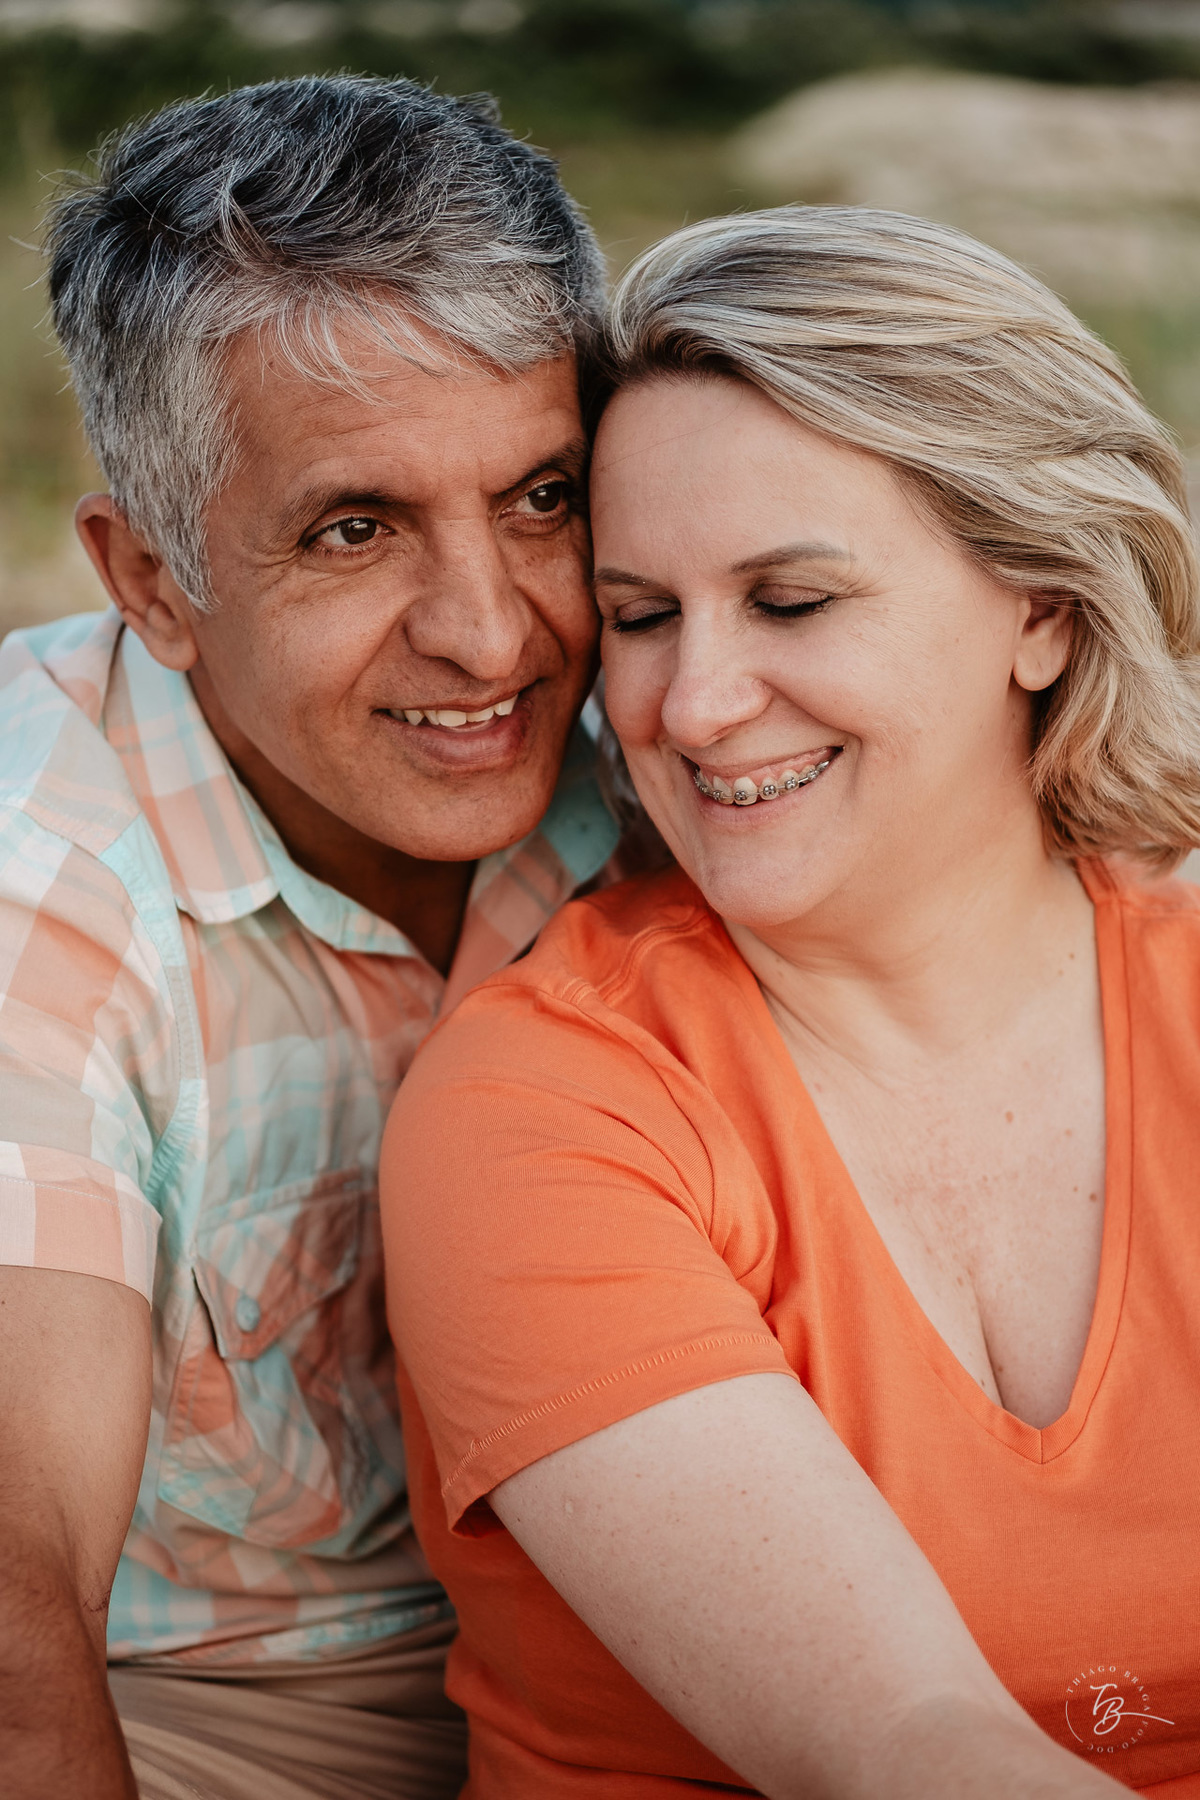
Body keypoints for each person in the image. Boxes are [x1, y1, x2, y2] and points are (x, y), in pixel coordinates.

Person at [382, 206, 1200, 1799]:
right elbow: (897, 1747)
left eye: (794, 600)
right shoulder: (543, 1106)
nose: (692, 705)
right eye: (639, 617)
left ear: (1038, 606)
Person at [0, 74, 621, 1800]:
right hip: (210, 1723)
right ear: (151, 583)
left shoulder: (687, 734)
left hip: (670, 1653)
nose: (491, 634)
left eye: (543, 499)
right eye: (356, 529)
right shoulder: (34, 883)